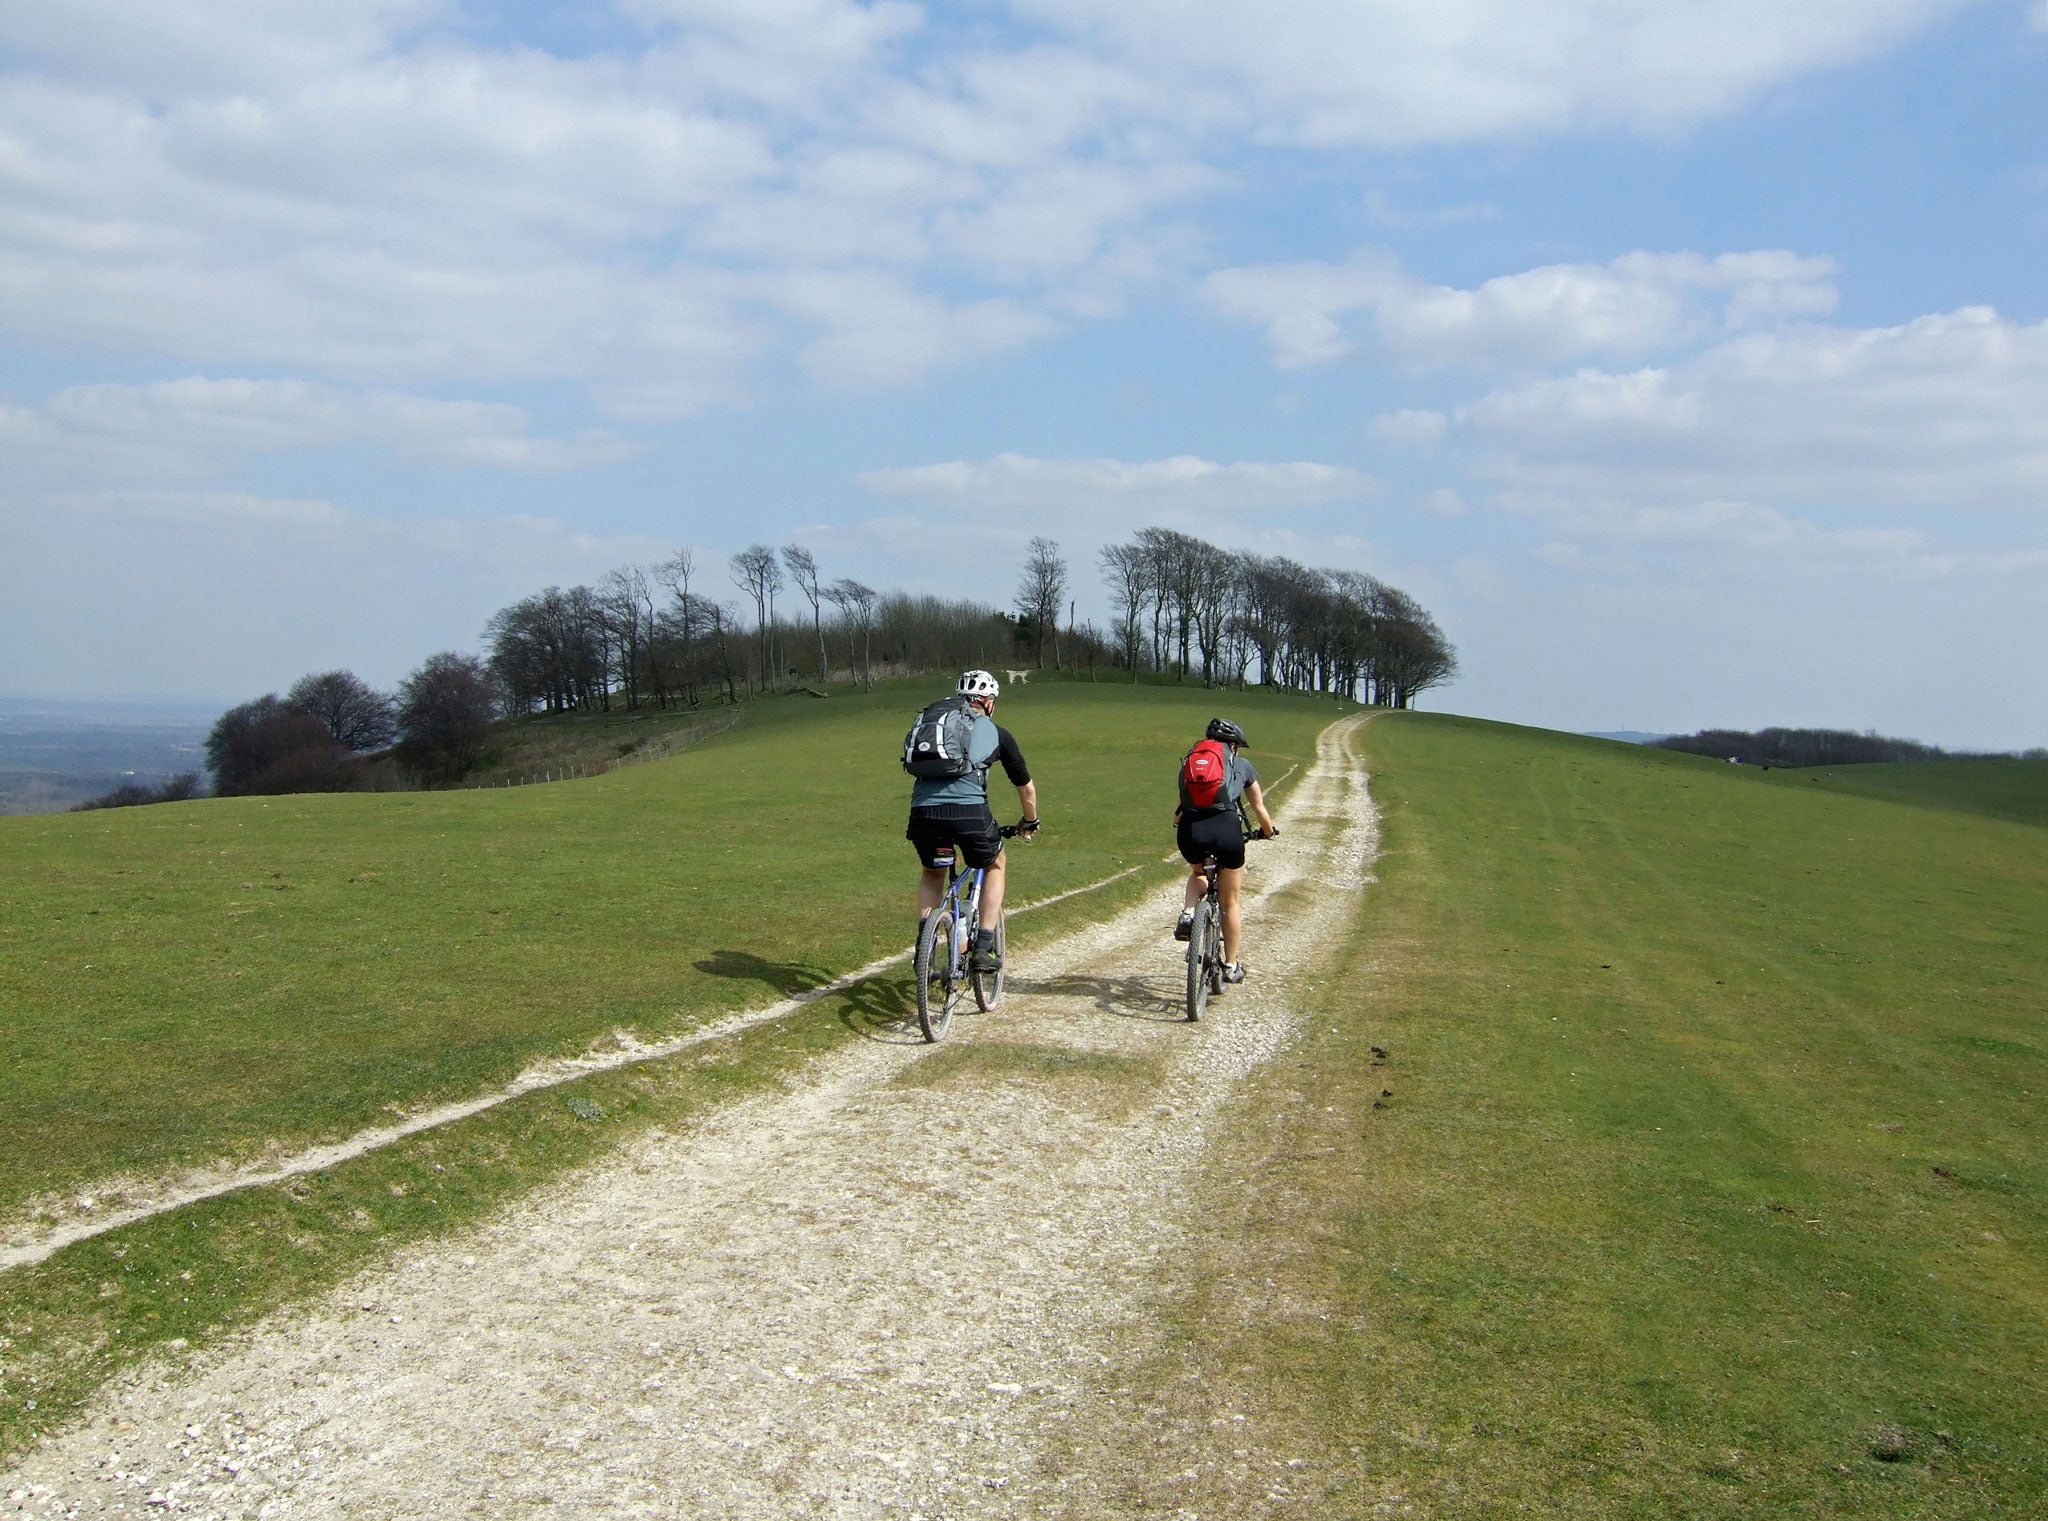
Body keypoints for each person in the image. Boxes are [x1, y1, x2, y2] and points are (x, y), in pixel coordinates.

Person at [907, 670, 1038, 971]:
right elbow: (1026, 789)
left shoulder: (936, 725)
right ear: (988, 701)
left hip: (923, 812)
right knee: (995, 863)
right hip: (969, 814)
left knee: (933, 872)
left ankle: (923, 947)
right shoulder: (996, 733)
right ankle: (983, 947)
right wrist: (1030, 821)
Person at [1173, 716, 1277, 984]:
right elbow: (1258, 807)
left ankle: (1188, 913)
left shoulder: (1193, 766)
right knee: (1229, 902)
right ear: (1233, 746)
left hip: (1190, 831)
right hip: (1226, 831)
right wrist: (1267, 831)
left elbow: (1178, 812)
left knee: (1198, 873)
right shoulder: (1241, 765)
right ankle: (1230, 966)